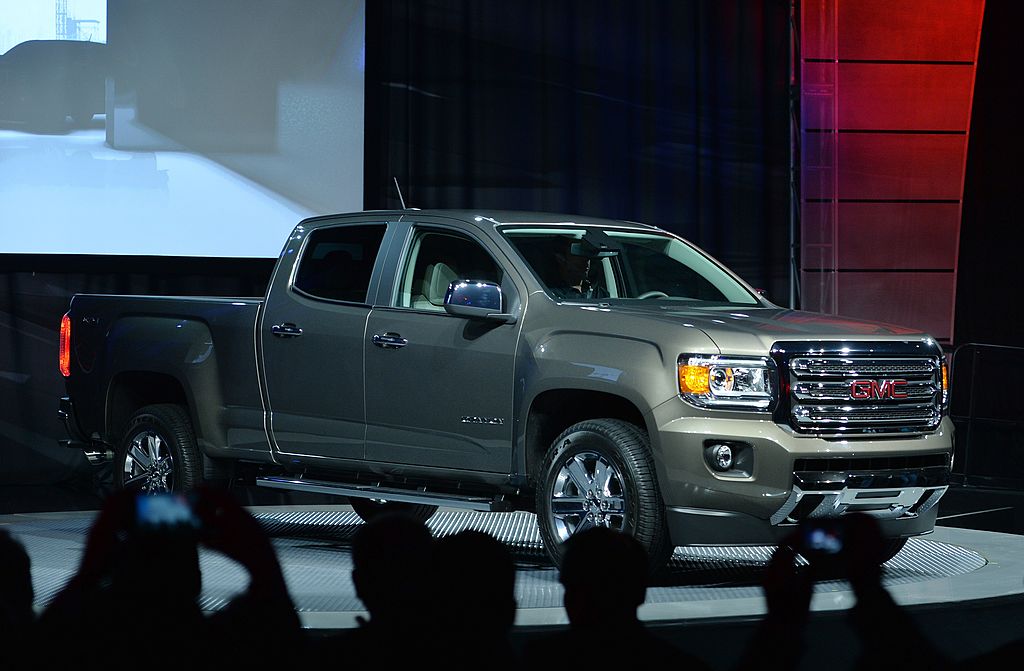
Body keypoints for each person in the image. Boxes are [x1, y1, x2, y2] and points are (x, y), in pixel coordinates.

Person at [525, 527, 711, 667]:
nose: (572, 600)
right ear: (640, 593)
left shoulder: (540, 660)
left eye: (574, 589)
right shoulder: (679, 664)